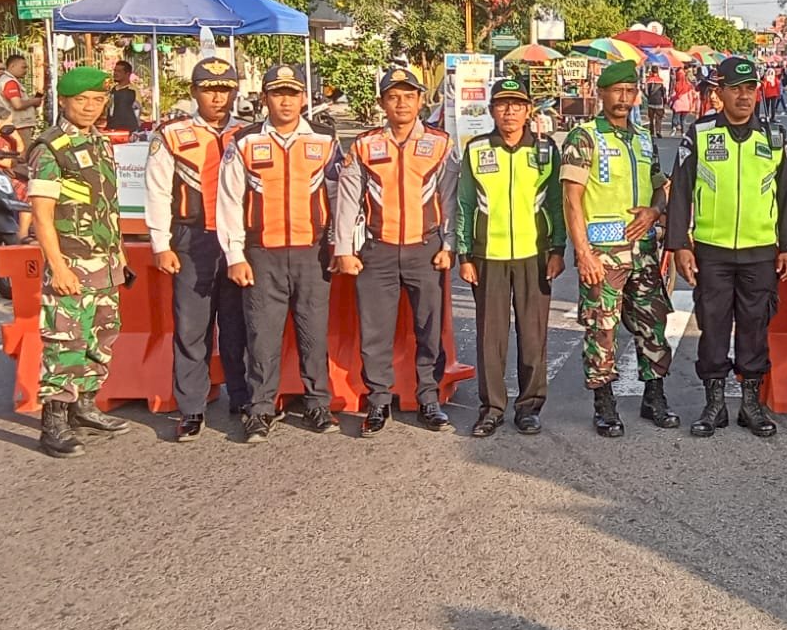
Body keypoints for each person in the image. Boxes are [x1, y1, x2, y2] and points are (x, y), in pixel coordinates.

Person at [666, 56, 787, 439]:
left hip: (760, 251)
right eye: (736, 89)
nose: (744, 96)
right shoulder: (700, 133)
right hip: (712, 249)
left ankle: (750, 404)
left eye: (750, 89)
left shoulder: (773, 137)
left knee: (755, 326)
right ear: (719, 93)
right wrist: (680, 244)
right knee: (712, 328)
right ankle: (714, 405)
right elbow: (681, 190)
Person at [217, 64, 343, 444]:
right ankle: (259, 409)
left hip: (312, 252)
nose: (286, 101)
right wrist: (234, 255)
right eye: (277, 93)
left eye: (292, 93)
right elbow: (228, 201)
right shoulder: (243, 140)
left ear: (304, 98)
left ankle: (317, 403)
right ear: (265, 98)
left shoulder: (325, 139)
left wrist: (341, 245)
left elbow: (339, 195)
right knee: (262, 336)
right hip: (262, 253)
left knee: (313, 333)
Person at [333, 66, 459, 435]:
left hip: (427, 249)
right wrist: (344, 249)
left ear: (421, 100)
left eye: (408, 95)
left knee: (428, 328)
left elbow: (450, 199)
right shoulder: (364, 145)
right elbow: (347, 200)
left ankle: (428, 399)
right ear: (382, 103)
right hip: (377, 251)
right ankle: (378, 401)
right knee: (375, 330)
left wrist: (449, 245)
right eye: (393, 96)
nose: (401, 103)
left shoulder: (440, 144)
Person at [561, 60, 677, 437]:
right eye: (617, 91)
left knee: (653, 323)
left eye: (630, 92)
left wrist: (655, 209)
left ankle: (654, 396)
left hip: (643, 250)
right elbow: (571, 199)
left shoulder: (643, 137)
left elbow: (661, 184)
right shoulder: (585, 137)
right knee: (602, 327)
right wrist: (583, 253)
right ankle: (604, 403)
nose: (624, 99)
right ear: (602, 93)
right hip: (603, 253)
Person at [25, 66, 131, 458]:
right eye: (81, 100)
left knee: (101, 336)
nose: (90, 107)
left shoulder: (99, 143)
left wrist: (118, 250)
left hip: (103, 261)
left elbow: (107, 205)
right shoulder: (50, 147)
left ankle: (84, 405)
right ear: (65, 102)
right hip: (71, 261)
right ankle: (53, 420)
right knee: (64, 339)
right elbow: (42, 214)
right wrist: (58, 265)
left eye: (97, 99)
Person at [144, 57, 250, 442]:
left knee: (239, 324)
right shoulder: (171, 134)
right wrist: (160, 243)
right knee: (192, 326)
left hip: (239, 241)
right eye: (209, 88)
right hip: (192, 240)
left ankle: (242, 396)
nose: (217, 97)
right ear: (194, 92)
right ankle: (191, 407)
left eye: (224, 89)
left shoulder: (247, 133)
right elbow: (156, 190)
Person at [456, 77, 565, 435]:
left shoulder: (546, 150)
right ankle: (491, 407)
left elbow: (555, 202)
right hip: (489, 255)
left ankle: (529, 406)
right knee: (492, 337)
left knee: (533, 336)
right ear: (491, 111)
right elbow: (465, 204)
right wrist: (464, 254)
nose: (509, 111)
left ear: (529, 110)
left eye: (517, 104)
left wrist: (557, 249)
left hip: (535, 255)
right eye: (502, 104)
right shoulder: (476, 150)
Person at [0, 53, 42, 148]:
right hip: (18, 125)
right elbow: (17, 105)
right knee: (23, 152)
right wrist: (34, 101)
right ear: (12, 66)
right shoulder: (10, 82)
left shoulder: (6, 80)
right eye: (23, 67)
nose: (26, 70)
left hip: (14, 124)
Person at [106, 59, 141, 133]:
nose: (115, 73)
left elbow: (137, 110)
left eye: (119, 71)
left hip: (128, 129)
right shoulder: (113, 90)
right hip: (112, 128)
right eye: (115, 71)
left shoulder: (132, 90)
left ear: (127, 74)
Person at [643, 69, 668, 138]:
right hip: (659, 102)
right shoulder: (661, 81)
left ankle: (651, 132)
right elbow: (664, 93)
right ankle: (658, 131)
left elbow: (646, 92)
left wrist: (648, 97)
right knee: (658, 118)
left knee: (651, 118)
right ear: (657, 72)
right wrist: (665, 102)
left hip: (651, 102)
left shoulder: (648, 81)